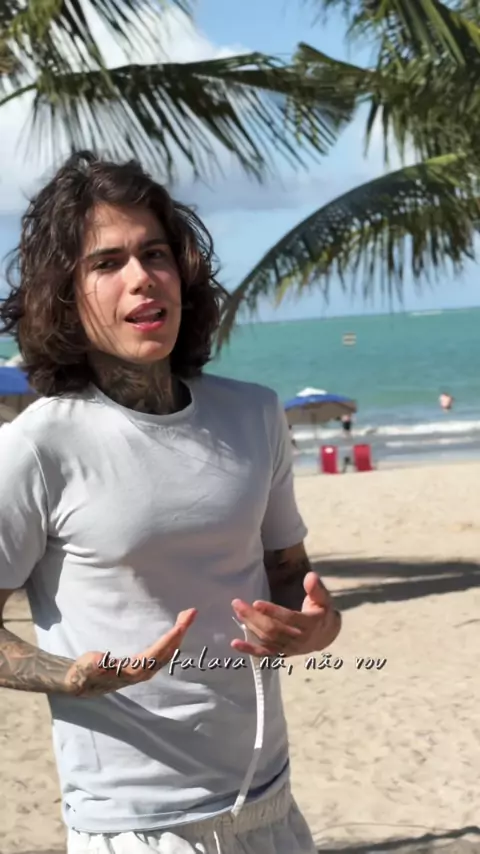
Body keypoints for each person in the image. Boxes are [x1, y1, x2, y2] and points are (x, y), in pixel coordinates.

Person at [0, 151, 341, 854]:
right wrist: (71, 675)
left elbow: (290, 573)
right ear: (63, 294)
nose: (141, 277)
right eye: (107, 262)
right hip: (134, 825)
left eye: (154, 253)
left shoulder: (254, 414)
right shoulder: (39, 445)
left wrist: (314, 626)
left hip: (270, 805)